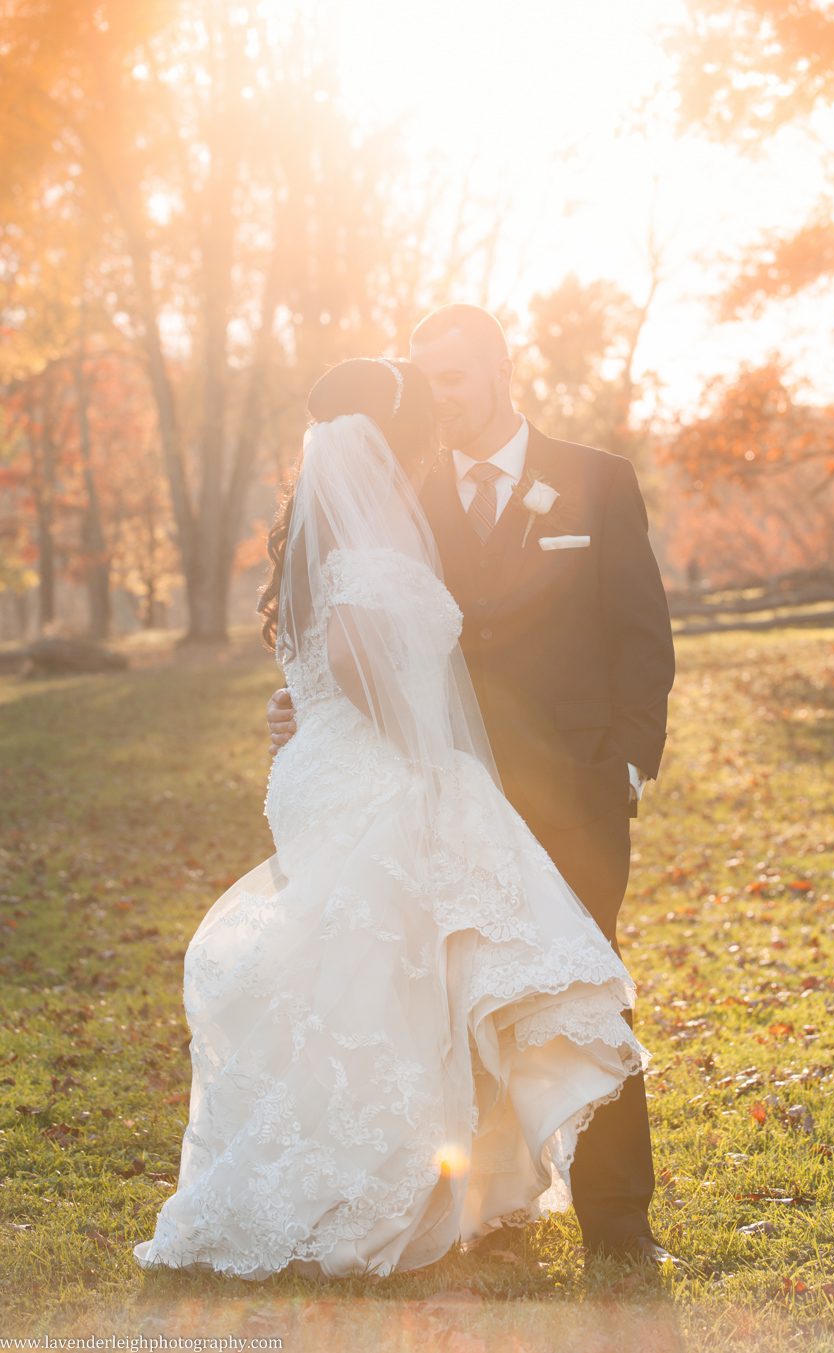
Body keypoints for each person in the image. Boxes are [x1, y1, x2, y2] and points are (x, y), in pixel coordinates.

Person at [133, 356, 649, 1282]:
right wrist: (416, 753)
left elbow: (631, 628)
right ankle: (371, 1190)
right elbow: (352, 651)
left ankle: (478, 1194)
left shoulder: (345, 522)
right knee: (389, 986)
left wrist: (314, 711)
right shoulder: (375, 532)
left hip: (370, 767)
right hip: (380, 774)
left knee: (387, 985)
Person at [268, 308, 677, 1265]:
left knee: (580, 982)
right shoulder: (403, 494)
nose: (438, 396)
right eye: (427, 378)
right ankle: (481, 1210)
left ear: (499, 367)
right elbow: (351, 616)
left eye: (453, 376)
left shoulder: (596, 478)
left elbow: (642, 631)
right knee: (453, 997)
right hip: (443, 793)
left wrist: (625, 757)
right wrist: (303, 707)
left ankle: (619, 1224)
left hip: (573, 785)